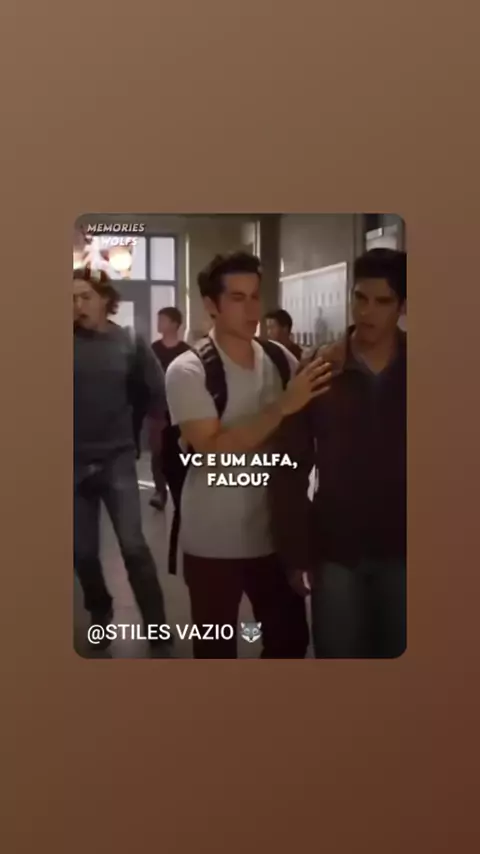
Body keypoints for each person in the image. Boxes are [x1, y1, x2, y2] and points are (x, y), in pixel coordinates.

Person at [165, 251, 332, 658]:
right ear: (211, 305)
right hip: (212, 541)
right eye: (237, 298)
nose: (252, 309)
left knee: (289, 642)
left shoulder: (279, 358)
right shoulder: (188, 370)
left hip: (273, 537)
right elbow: (211, 451)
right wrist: (282, 406)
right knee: (216, 651)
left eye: (255, 296)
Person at [269, 248, 407, 658]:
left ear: (402, 306)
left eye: (382, 302)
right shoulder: (320, 369)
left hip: (406, 545)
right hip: (337, 547)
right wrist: (295, 551)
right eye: (360, 298)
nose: (367, 312)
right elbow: (289, 465)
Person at [73, 265, 171, 656]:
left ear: (105, 301)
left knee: (133, 546)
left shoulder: (129, 342)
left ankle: (157, 625)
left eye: (85, 297)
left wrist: (145, 433)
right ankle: (100, 611)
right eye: (70, 299)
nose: (77, 305)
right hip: (71, 462)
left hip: (116, 457)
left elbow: (156, 389)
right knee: (81, 553)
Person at [150, 307, 190, 511]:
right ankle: (160, 491)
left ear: (175, 324)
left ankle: (182, 492)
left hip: (180, 409)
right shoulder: (153, 349)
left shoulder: (186, 351)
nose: (159, 324)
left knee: (179, 451)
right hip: (157, 409)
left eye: (163, 320)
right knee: (157, 451)